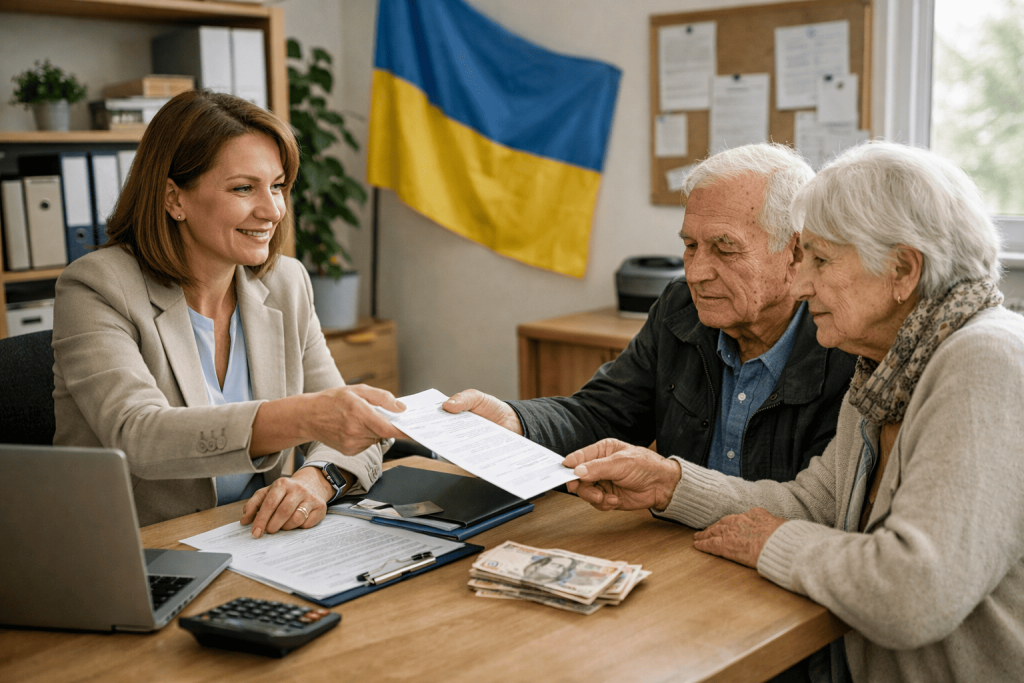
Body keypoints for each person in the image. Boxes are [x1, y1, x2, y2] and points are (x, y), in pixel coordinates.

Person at [564, 141, 1024, 682]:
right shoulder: (885, 369)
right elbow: (814, 502)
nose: (802, 285)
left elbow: (914, 594)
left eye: (822, 260)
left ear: (903, 269)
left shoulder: (988, 360)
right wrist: (672, 485)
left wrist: (772, 543)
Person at [52, 90, 406, 534]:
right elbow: (139, 436)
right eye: (244, 188)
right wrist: (305, 416)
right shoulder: (96, 287)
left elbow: (351, 433)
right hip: (137, 553)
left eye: (277, 186)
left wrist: (317, 481)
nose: (273, 210)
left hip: (256, 542)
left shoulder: (286, 282)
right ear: (174, 199)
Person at [447, 141, 856, 487]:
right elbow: (601, 415)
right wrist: (516, 420)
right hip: (678, 550)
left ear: (796, 253)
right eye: (690, 246)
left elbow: (818, 507)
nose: (695, 273)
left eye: (725, 248)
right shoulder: (680, 308)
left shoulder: (844, 343)